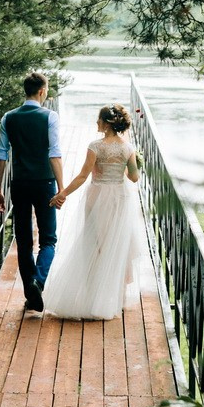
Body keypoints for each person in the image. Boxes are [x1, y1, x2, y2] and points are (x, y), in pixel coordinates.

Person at [42, 103, 140, 321]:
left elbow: (82, 176)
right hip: (120, 198)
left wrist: (63, 193)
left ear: (106, 124)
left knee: (94, 244)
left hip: (97, 198)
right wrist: (127, 166)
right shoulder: (128, 148)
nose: (96, 123)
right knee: (116, 244)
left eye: (99, 120)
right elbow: (134, 178)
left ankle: (93, 295)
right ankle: (115, 299)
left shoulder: (95, 147)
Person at [0, 71, 63, 313]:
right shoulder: (50, 117)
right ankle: (38, 281)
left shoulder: (8, 118)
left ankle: (31, 296)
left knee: (23, 240)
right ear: (42, 92)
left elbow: (1, 155)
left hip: (19, 183)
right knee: (49, 239)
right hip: (44, 183)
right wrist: (62, 188)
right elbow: (54, 153)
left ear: (26, 90)